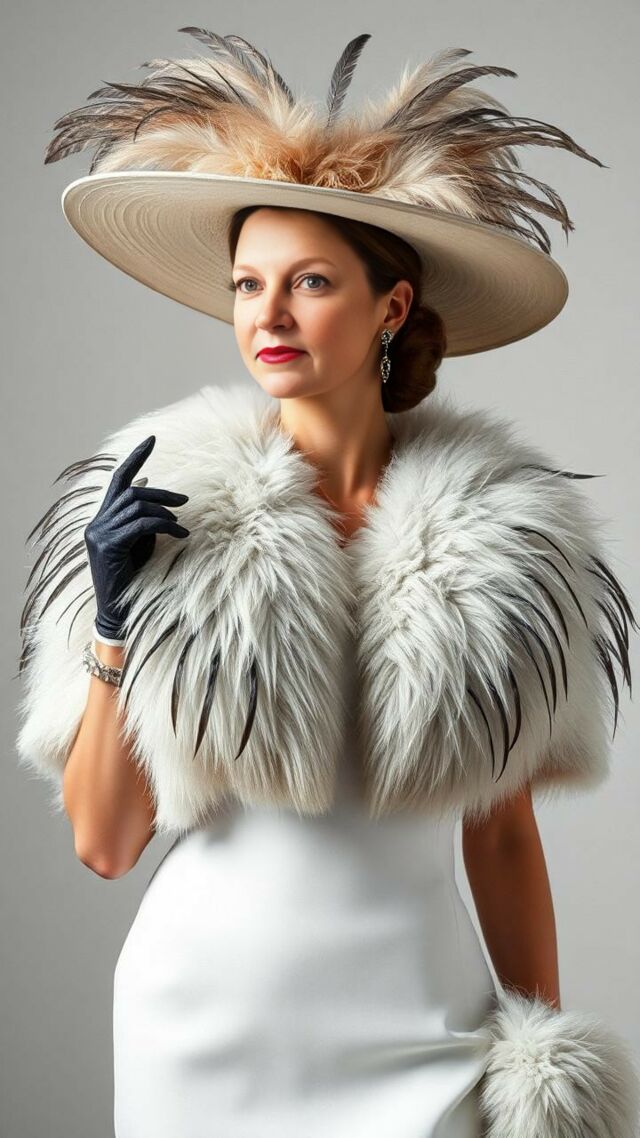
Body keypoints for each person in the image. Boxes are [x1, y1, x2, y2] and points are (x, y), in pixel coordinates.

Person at [16, 28, 640, 1138]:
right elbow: (105, 846)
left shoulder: (501, 539)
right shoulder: (159, 506)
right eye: (248, 284)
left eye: (309, 283)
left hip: (424, 1020)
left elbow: (501, 833)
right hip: (201, 1022)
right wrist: (113, 620)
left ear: (390, 308)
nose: (268, 315)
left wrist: (538, 1050)